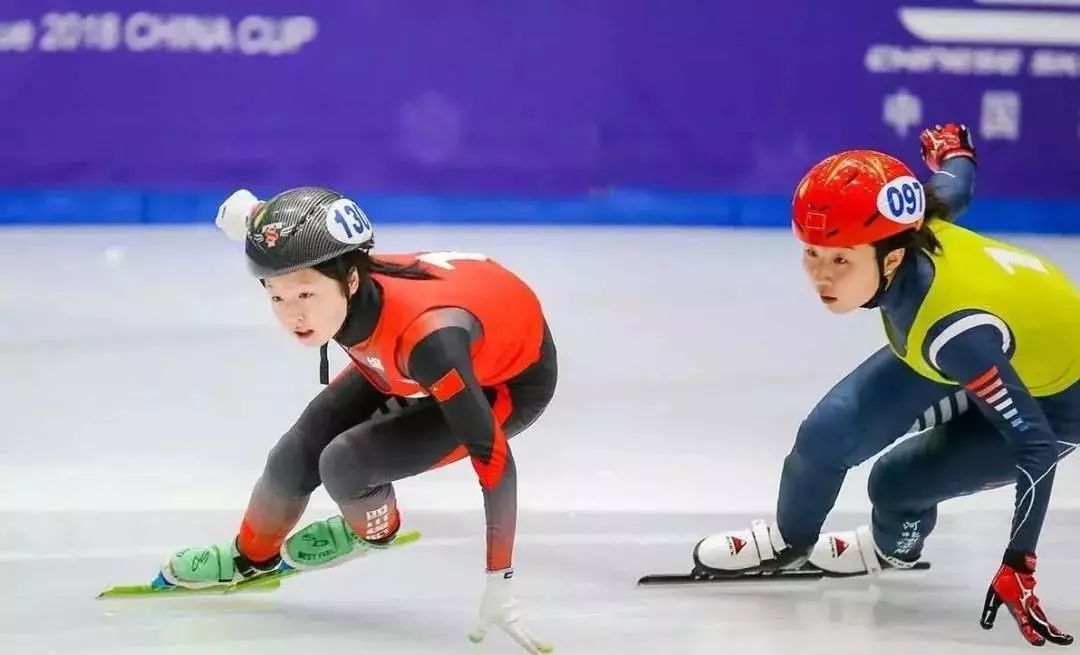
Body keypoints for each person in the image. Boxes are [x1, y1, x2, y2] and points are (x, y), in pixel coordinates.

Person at [693, 124, 1080, 647]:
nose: (821, 277)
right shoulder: (913, 219)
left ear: (891, 258)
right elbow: (955, 181)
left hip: (1053, 402)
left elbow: (1034, 444)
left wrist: (1019, 563)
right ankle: (789, 542)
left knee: (895, 484)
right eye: (812, 253)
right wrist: (954, 147)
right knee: (826, 435)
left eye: (841, 260)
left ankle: (893, 546)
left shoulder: (951, 335)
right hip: (998, 346)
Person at [158, 186, 557, 654]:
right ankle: (251, 559)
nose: (294, 315)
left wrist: (500, 583)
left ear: (349, 280)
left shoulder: (429, 342)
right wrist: (246, 216)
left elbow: (494, 461)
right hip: (403, 350)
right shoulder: (332, 271)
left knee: (344, 463)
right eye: (276, 298)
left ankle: (374, 527)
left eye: (305, 293)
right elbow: (263, 216)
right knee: (294, 456)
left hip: (501, 382)